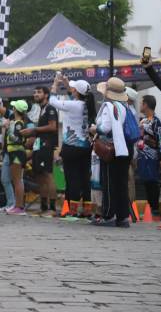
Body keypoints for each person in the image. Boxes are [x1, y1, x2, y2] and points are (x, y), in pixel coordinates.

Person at [49, 75, 95, 218]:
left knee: (72, 178)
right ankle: (87, 210)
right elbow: (74, 97)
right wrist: (67, 84)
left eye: (73, 89)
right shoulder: (86, 104)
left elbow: (52, 101)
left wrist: (55, 85)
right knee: (85, 178)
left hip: (72, 147)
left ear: (76, 92)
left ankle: (73, 211)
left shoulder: (74, 105)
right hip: (86, 146)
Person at [90, 77, 133, 227]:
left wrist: (94, 128)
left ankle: (108, 215)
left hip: (111, 149)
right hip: (125, 148)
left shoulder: (109, 106)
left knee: (108, 183)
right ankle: (123, 217)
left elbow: (106, 128)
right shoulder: (124, 107)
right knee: (121, 184)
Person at [20, 86, 59, 216]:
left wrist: (34, 130)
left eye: (39, 92)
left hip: (46, 145)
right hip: (39, 145)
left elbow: (53, 127)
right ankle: (43, 207)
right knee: (40, 176)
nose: (35, 94)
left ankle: (52, 209)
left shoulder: (50, 108)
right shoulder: (42, 109)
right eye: (34, 92)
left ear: (46, 95)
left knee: (47, 175)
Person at [137, 95, 161, 216]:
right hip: (142, 157)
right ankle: (149, 208)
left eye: (141, 103)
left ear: (146, 104)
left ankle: (155, 209)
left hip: (153, 157)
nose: (140, 105)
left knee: (153, 181)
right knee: (146, 182)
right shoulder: (142, 120)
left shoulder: (156, 121)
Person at [4, 100, 29, 215]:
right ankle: (17, 206)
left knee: (17, 180)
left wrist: (8, 128)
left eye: (13, 107)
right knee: (16, 180)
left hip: (16, 152)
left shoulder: (18, 123)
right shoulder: (16, 122)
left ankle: (19, 207)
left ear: (15, 110)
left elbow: (17, 139)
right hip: (14, 152)